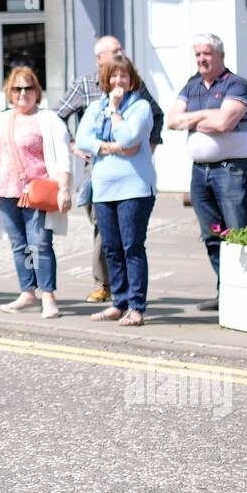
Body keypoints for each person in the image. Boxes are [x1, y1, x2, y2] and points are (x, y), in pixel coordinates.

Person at [57, 34, 164, 305]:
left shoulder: (137, 99)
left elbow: (137, 133)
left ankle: (132, 301)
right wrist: (80, 145)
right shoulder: (87, 92)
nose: (120, 54)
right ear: (100, 61)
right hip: (99, 177)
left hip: (133, 183)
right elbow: (69, 125)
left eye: (121, 51)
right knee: (107, 239)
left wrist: (146, 144)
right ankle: (110, 290)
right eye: (114, 52)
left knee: (130, 244)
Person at [0, 66, 72, 320]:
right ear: (10, 91)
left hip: (36, 192)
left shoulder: (48, 119)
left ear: (36, 90)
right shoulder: (0, 120)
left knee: (39, 243)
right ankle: (28, 292)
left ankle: (48, 294)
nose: (23, 93)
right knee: (19, 245)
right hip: (5, 190)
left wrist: (64, 189)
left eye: (28, 88)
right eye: (17, 88)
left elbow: (63, 157)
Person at [166, 33, 247, 311]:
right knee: (212, 235)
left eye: (207, 54)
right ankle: (225, 290)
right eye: (198, 55)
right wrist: (206, 116)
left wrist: (191, 120)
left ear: (220, 55)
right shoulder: (191, 86)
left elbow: (225, 124)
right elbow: (171, 120)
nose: (202, 59)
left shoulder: (236, 84)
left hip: (230, 171)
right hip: (200, 173)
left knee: (237, 233)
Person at [76, 55, 157, 326]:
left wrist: (115, 110)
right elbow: (84, 139)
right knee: (111, 248)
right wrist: (110, 147)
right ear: (106, 79)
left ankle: (136, 306)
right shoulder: (94, 108)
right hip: (103, 188)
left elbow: (130, 138)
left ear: (131, 79)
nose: (118, 81)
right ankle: (118, 302)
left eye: (123, 76)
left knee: (132, 247)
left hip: (134, 188)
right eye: (113, 76)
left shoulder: (140, 106)